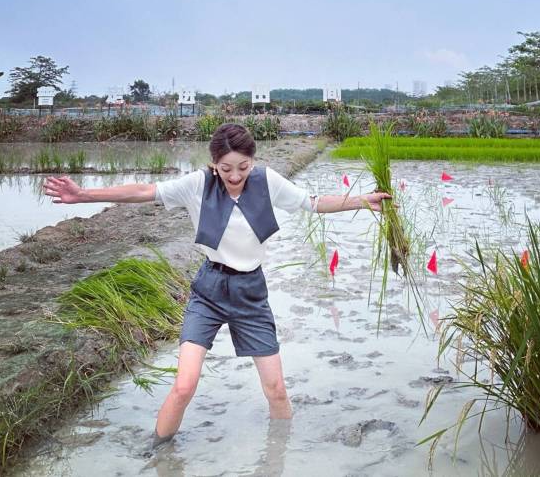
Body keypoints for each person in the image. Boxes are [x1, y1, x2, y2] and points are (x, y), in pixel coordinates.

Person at [42, 123, 391, 449]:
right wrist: (83, 194)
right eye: (226, 169)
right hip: (209, 289)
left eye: (243, 167)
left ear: (252, 160)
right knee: (183, 386)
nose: (235, 176)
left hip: (251, 292)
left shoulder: (267, 181)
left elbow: (312, 203)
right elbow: (145, 191)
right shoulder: (197, 185)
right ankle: (158, 453)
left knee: (277, 390)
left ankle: (280, 456)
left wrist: (362, 200)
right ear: (214, 165)